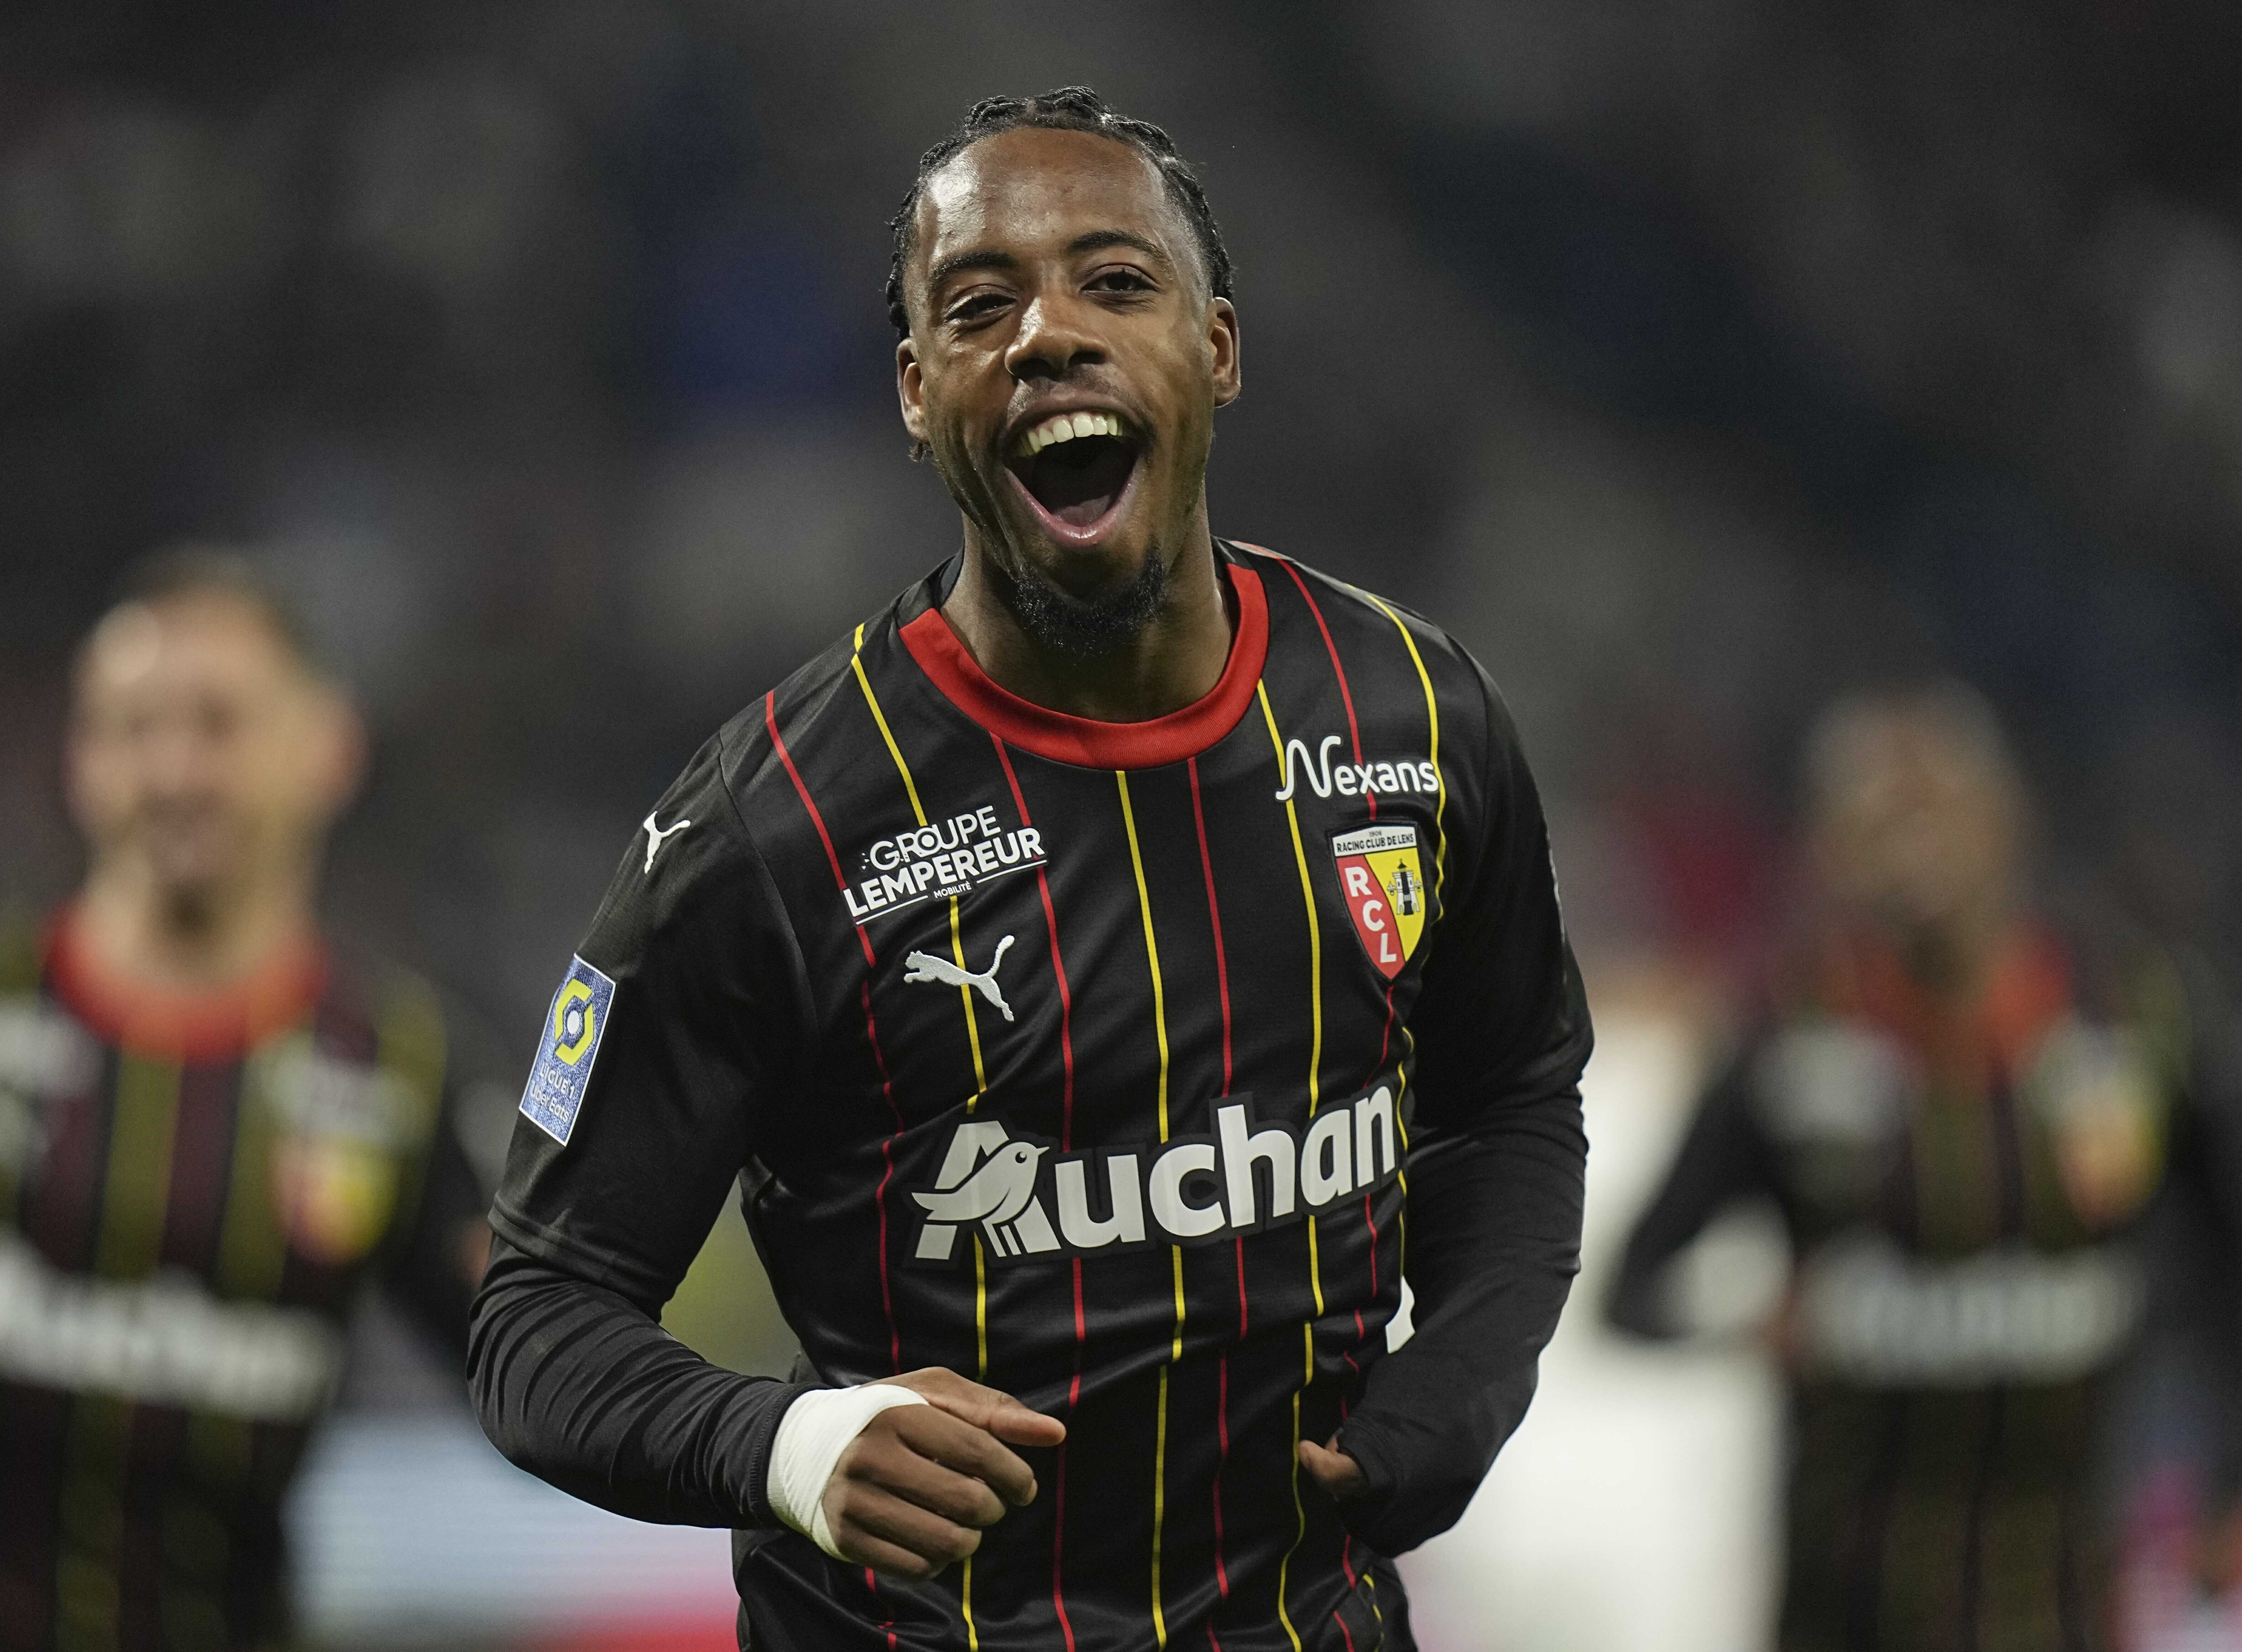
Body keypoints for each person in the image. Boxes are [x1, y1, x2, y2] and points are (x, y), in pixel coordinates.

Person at [469, 87, 1591, 1651]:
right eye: (979, 306)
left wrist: (1471, 1368)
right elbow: (535, 1321)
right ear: (919, 395)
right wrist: (788, 1447)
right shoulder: (766, 827)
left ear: (1217, 347)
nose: (1048, 334)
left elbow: (1513, 1095)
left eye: (1114, 283)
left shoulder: (1416, 714)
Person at [0, 553, 496, 1652]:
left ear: (328, 749)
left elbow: (531, 1365)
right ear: (78, 762)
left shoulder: (395, 1075)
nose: (172, 770)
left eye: (216, 724)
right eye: (130, 728)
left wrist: (766, 1444)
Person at [1607, 684, 2242, 1652]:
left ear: (2009, 818)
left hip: (2054, 1602)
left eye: (1935, 803)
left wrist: (2236, 1478)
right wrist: (1744, 1316)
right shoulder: (1792, 1039)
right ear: (1829, 852)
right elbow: (1632, 1289)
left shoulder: (2139, 1019)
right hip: (1842, 1608)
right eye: (1875, 814)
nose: (1909, 837)